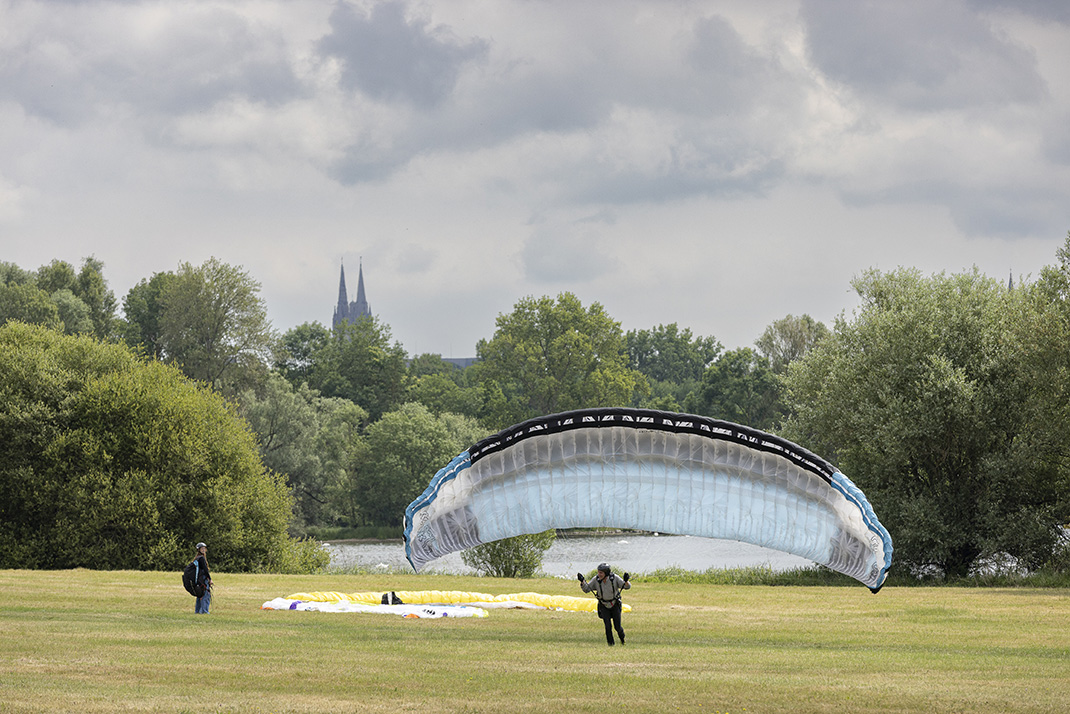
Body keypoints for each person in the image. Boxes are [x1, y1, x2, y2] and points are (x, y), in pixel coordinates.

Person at [578, 562, 630, 646]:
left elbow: (627, 587)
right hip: (603, 605)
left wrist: (626, 581)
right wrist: (582, 582)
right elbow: (587, 589)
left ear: (606, 573)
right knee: (607, 626)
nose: (599, 574)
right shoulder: (596, 579)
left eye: (601, 573)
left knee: (617, 627)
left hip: (615, 605)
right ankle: (611, 644)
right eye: (598, 572)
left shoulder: (614, 578)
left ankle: (622, 639)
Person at [192, 542, 213, 614]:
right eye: (202, 548)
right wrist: (210, 579)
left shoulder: (197, 558)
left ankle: (197, 611)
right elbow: (205, 570)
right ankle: (204, 611)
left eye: (204, 548)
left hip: (198, 579)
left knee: (200, 594)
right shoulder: (201, 558)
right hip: (203, 579)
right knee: (206, 595)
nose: (204, 550)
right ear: (199, 550)